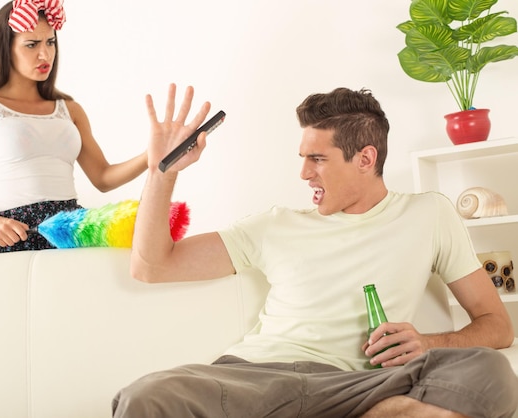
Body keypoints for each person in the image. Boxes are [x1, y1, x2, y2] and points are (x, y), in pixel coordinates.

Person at [113, 84, 518, 417]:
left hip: (360, 387)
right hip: (257, 380)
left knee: (490, 372)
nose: (304, 172)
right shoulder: (275, 224)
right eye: (304, 158)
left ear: (365, 158)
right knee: (146, 396)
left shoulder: (429, 214)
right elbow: (151, 266)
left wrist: (427, 344)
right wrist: (160, 171)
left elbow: (497, 326)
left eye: (318, 159)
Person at [0, 0, 147, 254]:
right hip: (14, 238)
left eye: (50, 42)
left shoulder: (70, 110)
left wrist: (150, 156)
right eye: (31, 44)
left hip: (71, 236)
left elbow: (103, 177)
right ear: (5, 49)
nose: (45, 55)